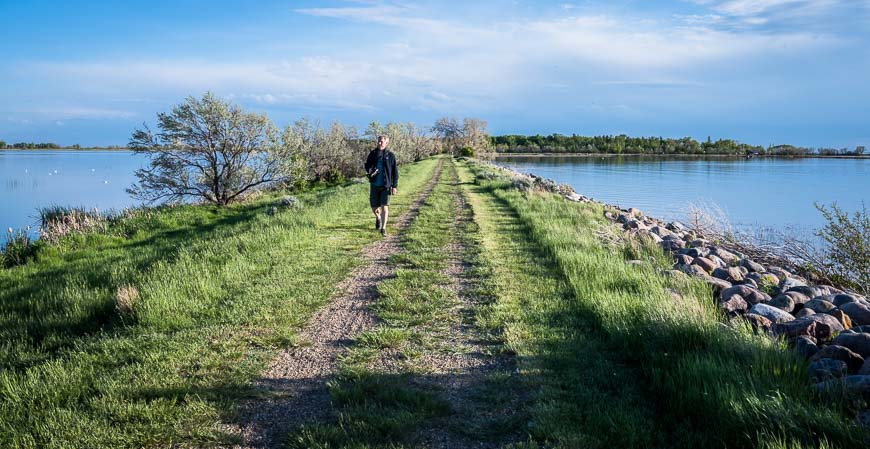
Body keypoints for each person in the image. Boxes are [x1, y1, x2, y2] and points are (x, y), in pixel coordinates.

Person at [364, 135, 398, 236]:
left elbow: (395, 172)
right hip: (374, 184)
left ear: (386, 143)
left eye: (382, 142)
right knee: (374, 207)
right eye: (378, 141)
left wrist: (394, 186)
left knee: (385, 207)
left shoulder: (391, 156)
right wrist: (370, 170)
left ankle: (383, 228)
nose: (379, 143)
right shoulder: (373, 154)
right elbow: (367, 165)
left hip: (385, 185)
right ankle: (378, 217)